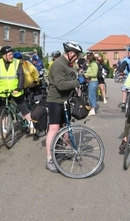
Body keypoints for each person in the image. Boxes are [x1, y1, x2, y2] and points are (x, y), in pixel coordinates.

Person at [45, 41, 84, 172]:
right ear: (71, 53)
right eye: (76, 54)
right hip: (55, 100)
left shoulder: (67, 65)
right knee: (54, 128)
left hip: (65, 100)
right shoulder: (58, 65)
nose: (77, 57)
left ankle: (67, 150)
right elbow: (61, 85)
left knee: (67, 127)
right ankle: (49, 159)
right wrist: (77, 82)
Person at [0, 46, 35, 135]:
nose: (11, 56)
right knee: (3, 111)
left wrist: (19, 88)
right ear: (3, 55)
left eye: (12, 54)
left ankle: (31, 124)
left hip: (15, 90)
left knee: (23, 108)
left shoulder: (16, 62)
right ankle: (4, 130)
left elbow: (21, 75)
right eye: (9, 54)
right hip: (3, 91)